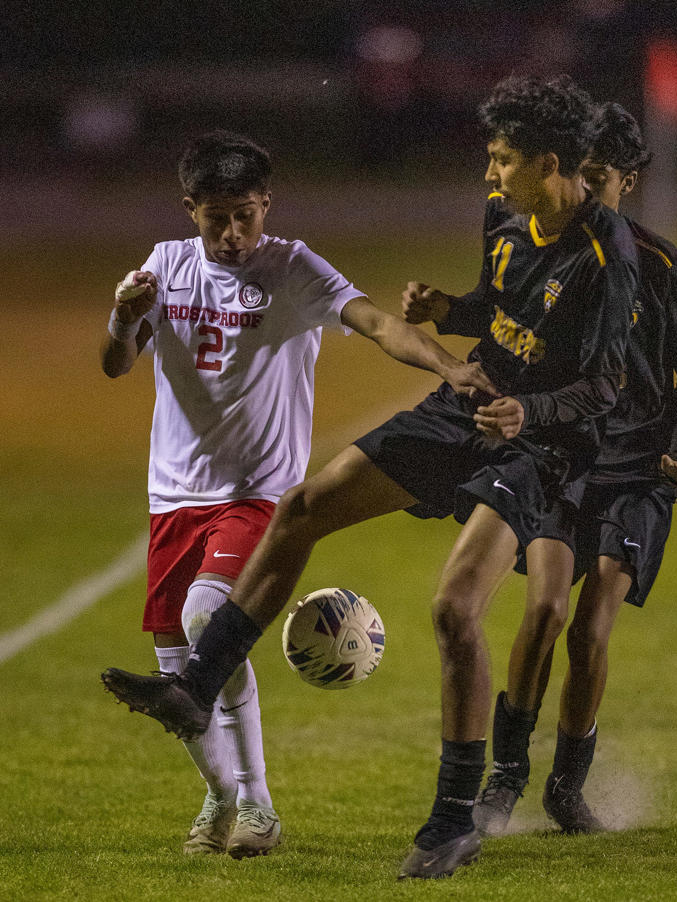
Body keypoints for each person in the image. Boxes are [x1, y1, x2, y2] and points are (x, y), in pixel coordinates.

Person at [100, 76, 637, 879]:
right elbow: (501, 311)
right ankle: (197, 686)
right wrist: (449, 313)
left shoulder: (607, 251)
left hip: (544, 444)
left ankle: (452, 819)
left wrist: (532, 412)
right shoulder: (504, 217)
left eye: (501, 159)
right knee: (303, 505)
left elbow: (607, 385)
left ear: (547, 163)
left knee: (455, 609)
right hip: (469, 403)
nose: (489, 174)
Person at [100, 129, 495, 859]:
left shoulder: (291, 267)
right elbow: (115, 364)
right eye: (216, 218)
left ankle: (258, 806)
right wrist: (126, 314)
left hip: (259, 493)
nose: (232, 232)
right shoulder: (164, 266)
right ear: (190, 209)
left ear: (266, 204)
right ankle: (220, 797)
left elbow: (378, 323)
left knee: (205, 617)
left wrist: (447, 365)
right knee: (176, 675)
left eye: (245, 215)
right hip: (173, 495)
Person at [471, 102, 677, 837]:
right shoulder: (558, 253)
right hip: (567, 457)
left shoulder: (659, 267)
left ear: (626, 182)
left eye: (600, 176)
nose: (588, 189)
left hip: (637, 471)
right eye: (580, 174)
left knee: (589, 631)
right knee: (544, 611)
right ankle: (506, 776)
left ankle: (566, 787)